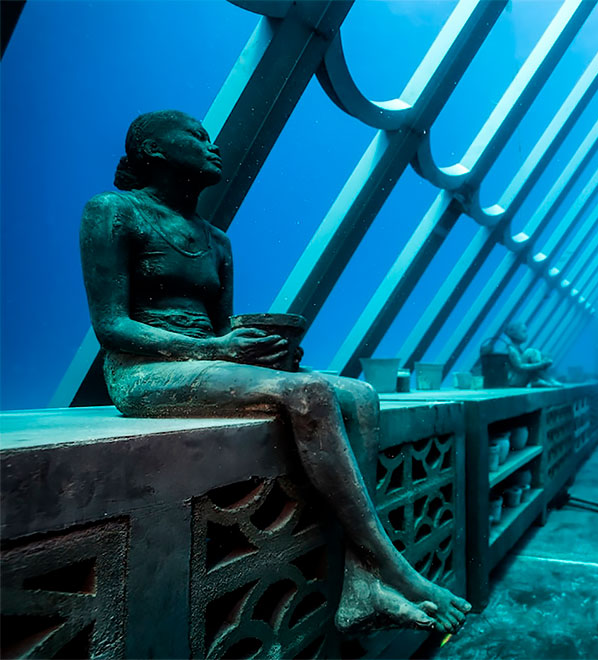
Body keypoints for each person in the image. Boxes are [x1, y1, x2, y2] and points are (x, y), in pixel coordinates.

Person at [79, 110, 469, 634]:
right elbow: (112, 328)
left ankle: (360, 582)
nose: (211, 144)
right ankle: (396, 569)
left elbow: (224, 330)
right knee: (306, 394)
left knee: (358, 394)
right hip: (144, 373)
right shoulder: (113, 211)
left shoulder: (216, 240)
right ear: (152, 151)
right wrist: (215, 346)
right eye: (196, 136)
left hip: (207, 363)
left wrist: (262, 353)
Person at [503, 321, 560, 387]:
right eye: (524, 331)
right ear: (514, 334)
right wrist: (540, 365)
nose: (526, 334)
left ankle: (537, 379)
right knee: (530, 351)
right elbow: (520, 367)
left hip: (518, 380)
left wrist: (542, 363)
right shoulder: (511, 349)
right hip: (515, 381)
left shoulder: (516, 348)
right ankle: (545, 379)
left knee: (534, 352)